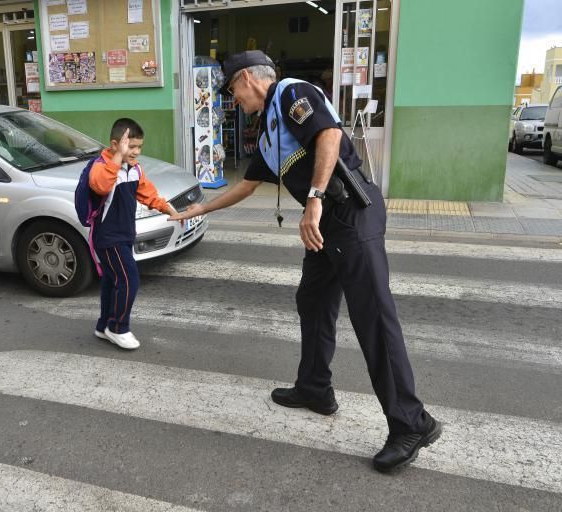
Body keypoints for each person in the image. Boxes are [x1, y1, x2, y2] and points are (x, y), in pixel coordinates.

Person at [171, 51, 440, 473]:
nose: (233, 100)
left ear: (246, 79)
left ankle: (412, 422)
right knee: (312, 301)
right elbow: (246, 187)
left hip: (351, 212)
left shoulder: (291, 93)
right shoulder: (266, 133)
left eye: (232, 91)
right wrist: (195, 211)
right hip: (325, 227)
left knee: (374, 318)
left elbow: (329, 135)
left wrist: (312, 199)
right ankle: (315, 388)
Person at [89, 118, 182, 350]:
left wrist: (170, 210)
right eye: (131, 147)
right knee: (130, 278)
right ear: (114, 144)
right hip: (108, 238)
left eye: (139, 147)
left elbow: (148, 194)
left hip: (125, 235)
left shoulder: (134, 170)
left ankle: (103, 326)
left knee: (113, 280)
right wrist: (118, 159)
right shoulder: (101, 167)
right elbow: (100, 186)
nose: (136, 152)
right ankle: (118, 327)